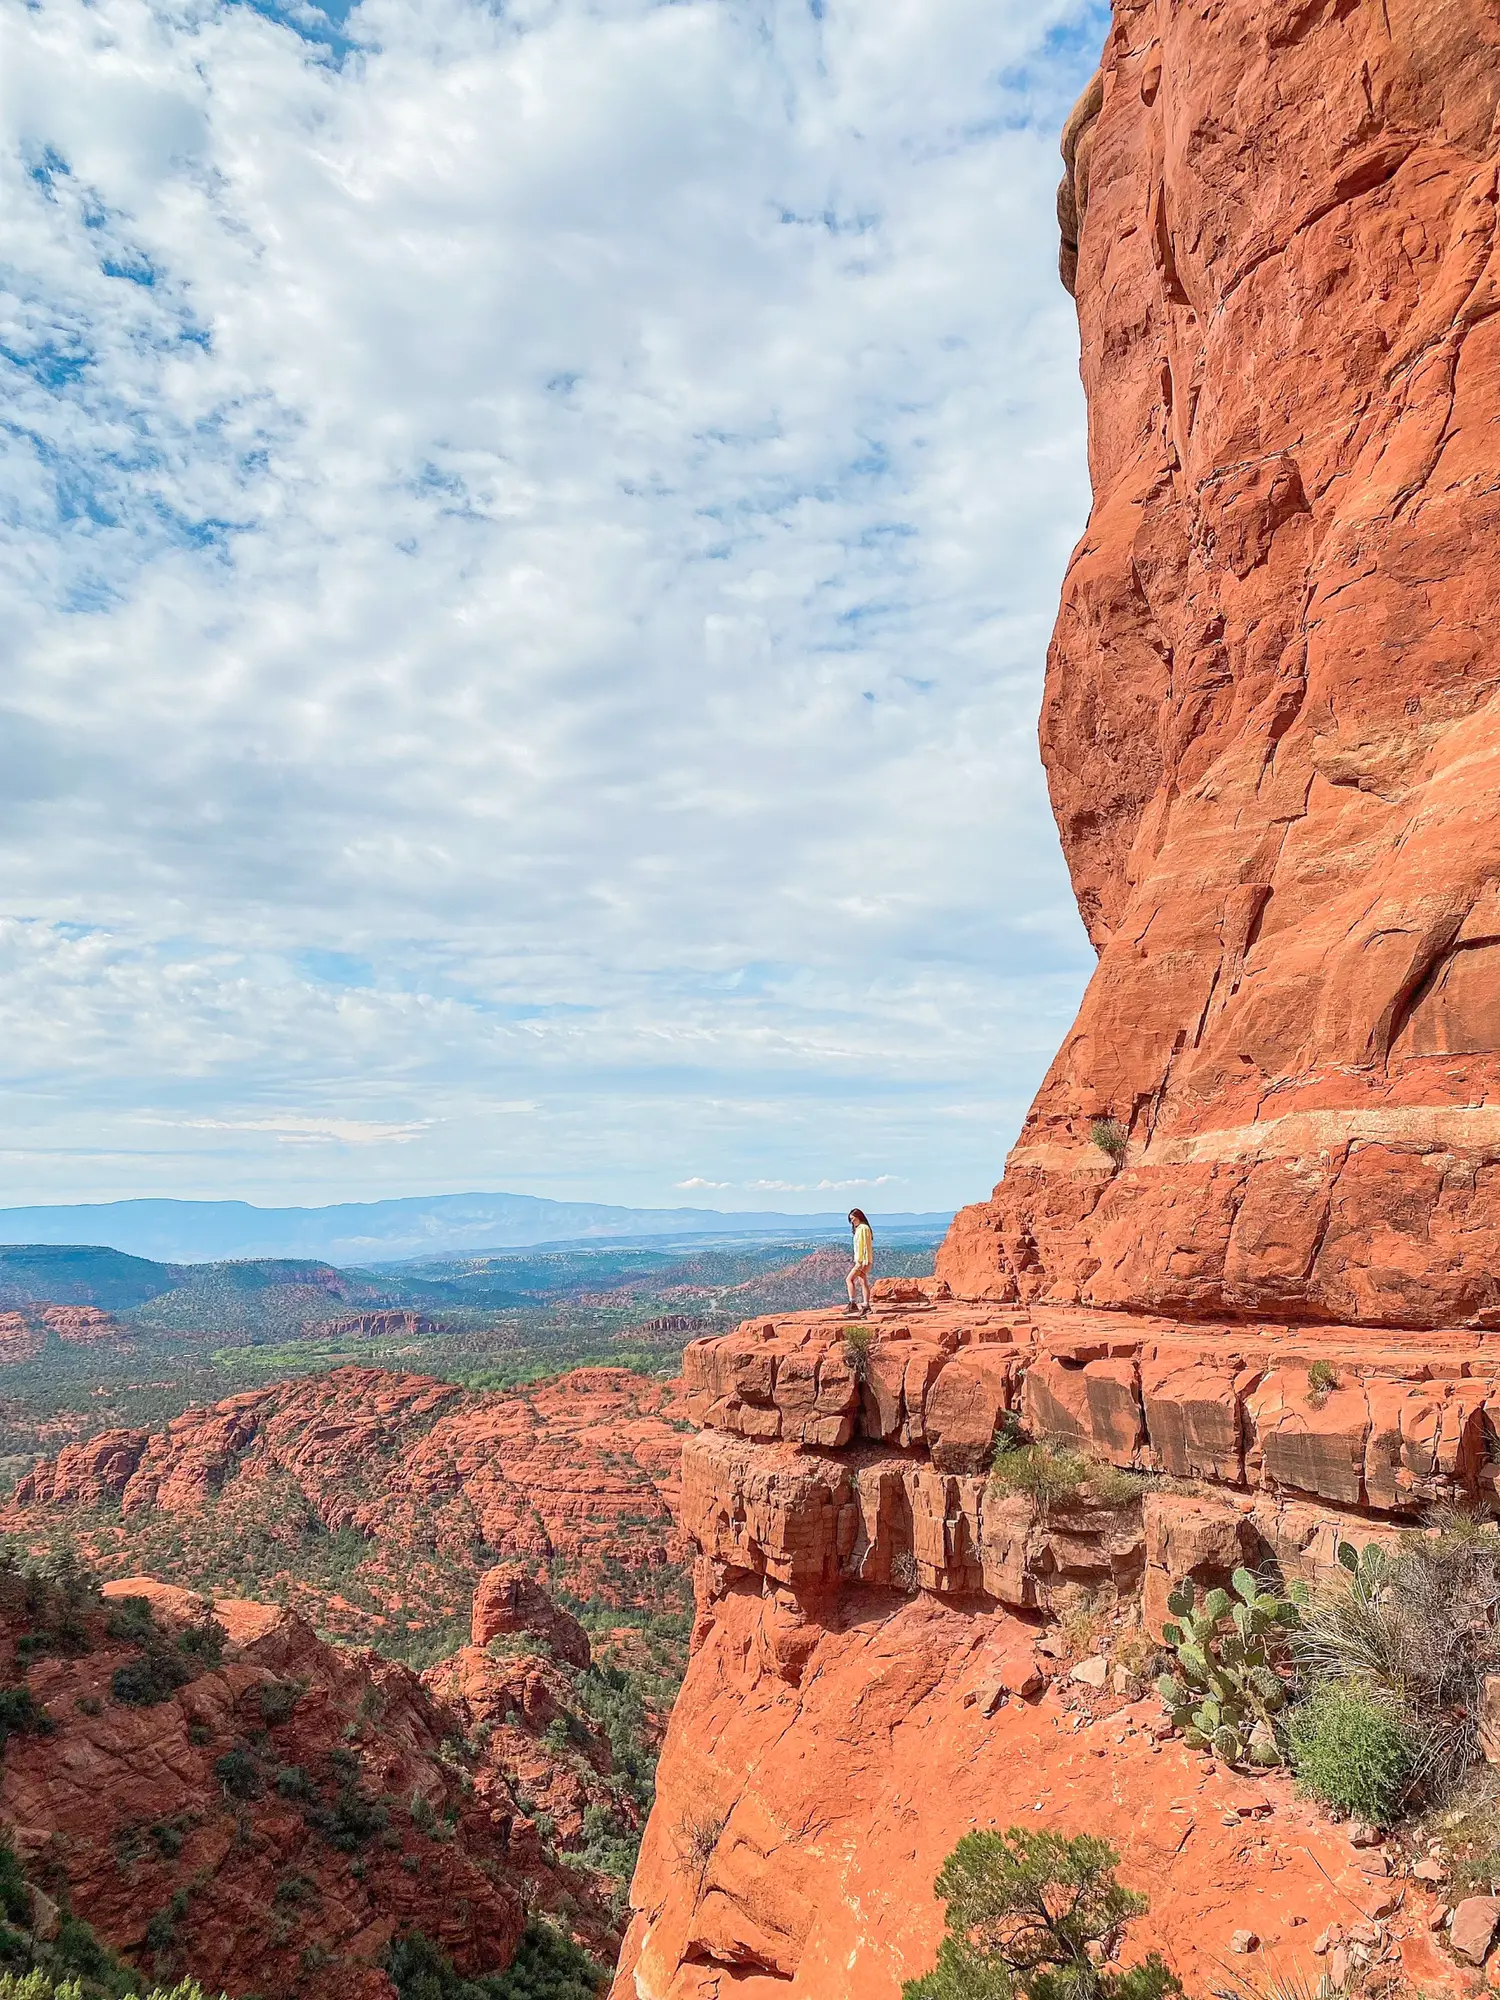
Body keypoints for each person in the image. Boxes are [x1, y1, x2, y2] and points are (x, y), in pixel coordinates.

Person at [845, 1208, 874, 1316]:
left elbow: (864, 1245)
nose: (852, 1221)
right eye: (850, 1219)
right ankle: (866, 1306)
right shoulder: (862, 1228)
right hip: (863, 1260)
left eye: (853, 1218)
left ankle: (853, 1304)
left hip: (862, 1261)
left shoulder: (863, 1228)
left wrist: (862, 1261)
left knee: (849, 1279)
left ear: (859, 1217)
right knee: (862, 1281)